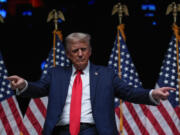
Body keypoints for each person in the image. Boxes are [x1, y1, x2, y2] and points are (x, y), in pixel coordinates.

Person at [7, 32, 175, 135]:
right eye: (75, 51)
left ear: (90, 51)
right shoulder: (55, 73)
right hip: (60, 130)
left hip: (93, 130)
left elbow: (129, 92)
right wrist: (23, 84)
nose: (80, 54)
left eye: (84, 49)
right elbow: (39, 88)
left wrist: (153, 94)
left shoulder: (106, 74)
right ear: (68, 54)